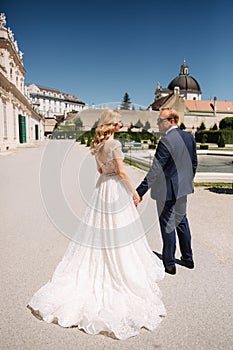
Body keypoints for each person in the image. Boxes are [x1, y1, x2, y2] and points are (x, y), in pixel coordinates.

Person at [27, 109, 166, 340]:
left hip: (102, 189)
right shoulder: (114, 144)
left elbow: (101, 170)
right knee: (118, 233)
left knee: (100, 233)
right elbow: (121, 172)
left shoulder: (98, 146)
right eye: (119, 123)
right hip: (115, 191)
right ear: (111, 125)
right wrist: (134, 193)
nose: (121, 126)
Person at [136, 108, 198, 275]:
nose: (158, 123)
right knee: (182, 221)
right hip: (182, 189)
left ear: (172, 121)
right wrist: (186, 182)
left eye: (160, 120)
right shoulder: (189, 138)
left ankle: (169, 263)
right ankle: (188, 258)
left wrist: (139, 191)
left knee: (168, 225)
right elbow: (194, 163)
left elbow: (156, 170)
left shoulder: (166, 141)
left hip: (166, 191)